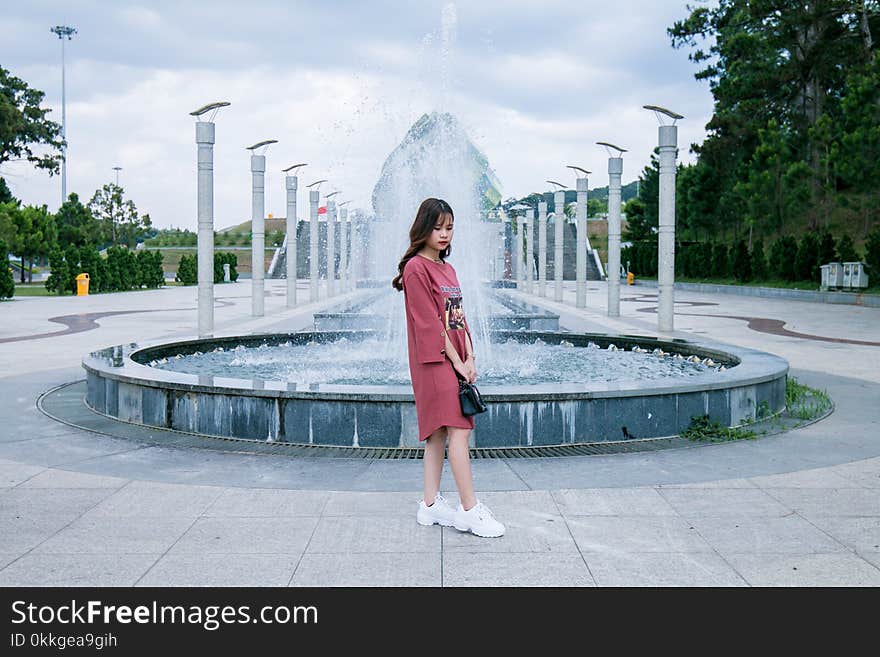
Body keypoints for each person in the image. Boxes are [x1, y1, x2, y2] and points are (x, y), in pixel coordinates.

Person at [392, 198, 505, 538]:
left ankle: (429, 506)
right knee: (458, 428)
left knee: (439, 434)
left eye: (449, 227)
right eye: (437, 227)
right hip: (433, 360)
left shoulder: (447, 269)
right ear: (423, 228)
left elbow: (458, 318)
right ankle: (470, 510)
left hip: (453, 358)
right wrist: (458, 363)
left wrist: (470, 358)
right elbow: (429, 324)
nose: (444, 234)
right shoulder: (415, 268)